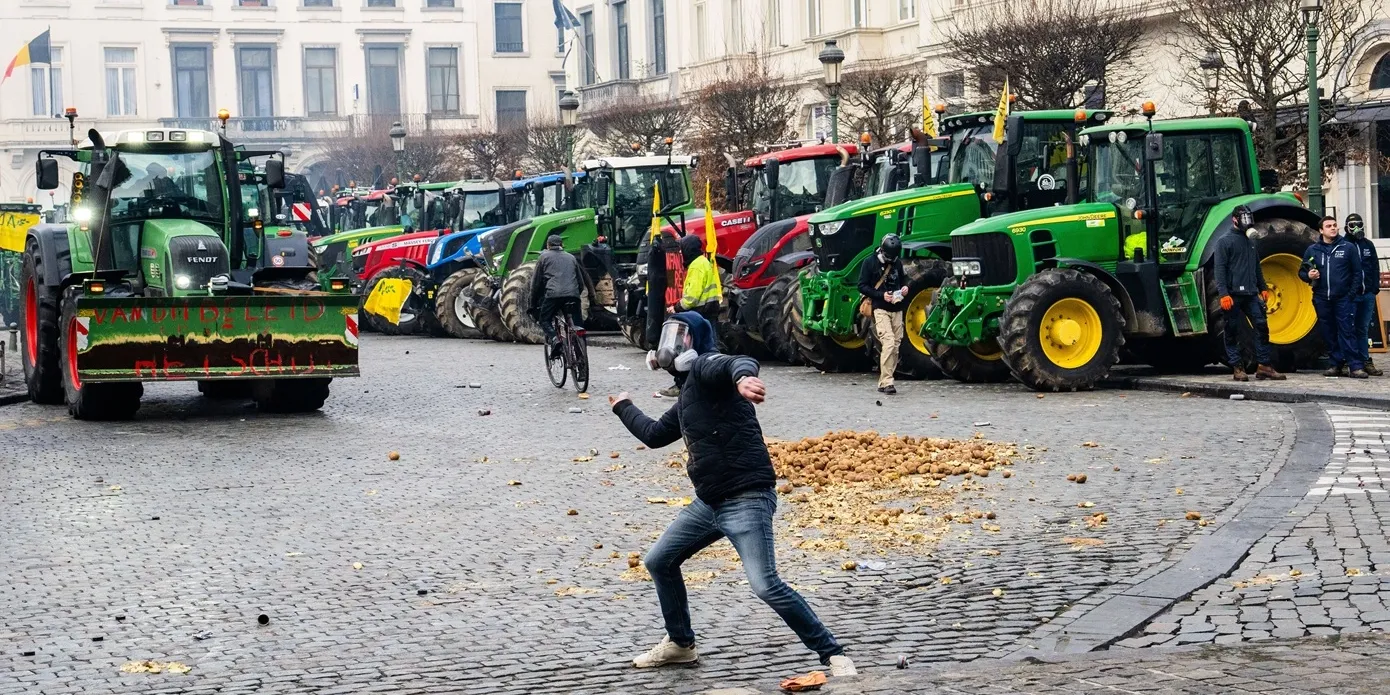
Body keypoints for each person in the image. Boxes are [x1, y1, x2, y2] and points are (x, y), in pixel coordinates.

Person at [607, 312, 857, 678]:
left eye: (681, 335)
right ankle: (680, 645)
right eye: (669, 335)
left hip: (746, 498)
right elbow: (655, 435)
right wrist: (623, 407)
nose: (671, 344)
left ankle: (832, 653)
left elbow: (735, 362)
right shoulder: (689, 394)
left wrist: (743, 379)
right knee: (659, 561)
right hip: (709, 502)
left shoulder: (706, 366)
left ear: (696, 341)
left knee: (765, 584)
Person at [1212, 205, 1285, 382]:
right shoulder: (1224, 241)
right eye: (1244, 218)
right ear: (1234, 219)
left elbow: (1256, 266)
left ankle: (1264, 366)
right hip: (1233, 294)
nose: (1248, 222)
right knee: (1232, 330)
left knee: (1262, 327)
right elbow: (1219, 270)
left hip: (1251, 294)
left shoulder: (1251, 241)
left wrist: (1263, 287)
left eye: (1249, 218)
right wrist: (1223, 294)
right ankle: (1238, 367)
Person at [1301, 216, 1366, 378]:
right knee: (1328, 332)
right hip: (1322, 298)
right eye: (1328, 226)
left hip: (1343, 298)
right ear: (1321, 230)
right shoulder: (1313, 250)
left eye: (1335, 225)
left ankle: (1355, 366)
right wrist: (1309, 275)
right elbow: (1301, 272)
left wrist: (1351, 294)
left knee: (1347, 331)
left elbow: (1357, 273)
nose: (1333, 228)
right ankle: (1335, 364)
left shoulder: (1348, 248)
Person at [857, 234, 910, 395]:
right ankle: (887, 382)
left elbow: (903, 279)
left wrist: (905, 288)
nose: (890, 260)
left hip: (897, 308)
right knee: (889, 342)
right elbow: (862, 286)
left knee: (896, 345)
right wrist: (881, 295)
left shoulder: (897, 262)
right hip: (880, 308)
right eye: (888, 257)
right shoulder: (870, 262)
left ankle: (884, 380)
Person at [529, 235, 589, 359]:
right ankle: (581, 360)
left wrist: (532, 304)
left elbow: (536, 284)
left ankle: (555, 339)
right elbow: (580, 282)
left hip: (553, 296)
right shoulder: (571, 257)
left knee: (544, 320)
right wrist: (575, 295)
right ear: (562, 245)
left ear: (548, 245)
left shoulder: (543, 257)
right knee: (577, 325)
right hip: (573, 295)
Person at [1346, 213, 1383, 376]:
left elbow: (1375, 266)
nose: (1356, 228)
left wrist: (1374, 288)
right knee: (1348, 329)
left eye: (1359, 224)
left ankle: (1365, 360)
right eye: (1352, 225)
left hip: (1367, 294)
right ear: (1346, 227)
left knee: (1363, 329)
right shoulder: (1343, 245)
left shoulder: (1368, 244)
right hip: (1351, 295)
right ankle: (1351, 362)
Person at [677, 234, 722, 329]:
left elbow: (692, 297)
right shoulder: (703, 261)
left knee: (703, 337)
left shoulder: (696, 266)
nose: (680, 252)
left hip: (701, 312)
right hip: (710, 309)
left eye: (682, 248)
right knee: (710, 335)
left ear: (688, 249)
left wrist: (677, 307)